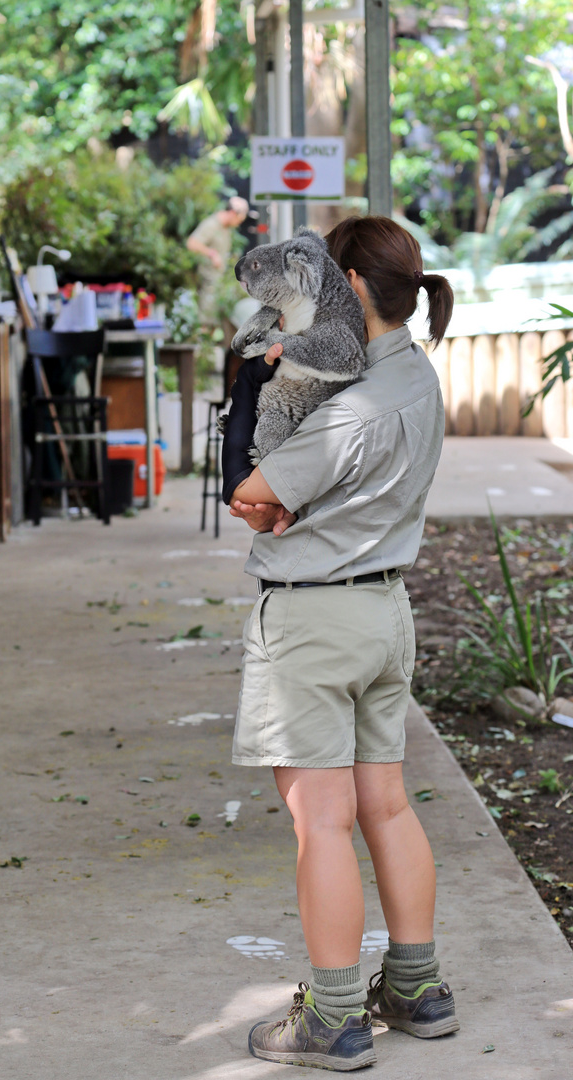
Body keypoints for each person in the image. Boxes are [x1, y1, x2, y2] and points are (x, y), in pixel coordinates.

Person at [222, 215, 457, 1072]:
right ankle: (418, 987)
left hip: (317, 619)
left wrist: (263, 402)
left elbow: (249, 493)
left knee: (321, 822)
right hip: (385, 613)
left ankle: (332, 1015)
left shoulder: (346, 411)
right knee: (385, 804)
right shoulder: (416, 382)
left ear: (350, 288)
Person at [186, 196, 251, 322]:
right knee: (206, 316)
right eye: (239, 219)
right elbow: (192, 243)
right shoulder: (212, 224)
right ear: (233, 213)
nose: (239, 223)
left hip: (217, 279)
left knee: (216, 316)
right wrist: (211, 253)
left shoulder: (225, 227)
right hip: (208, 279)